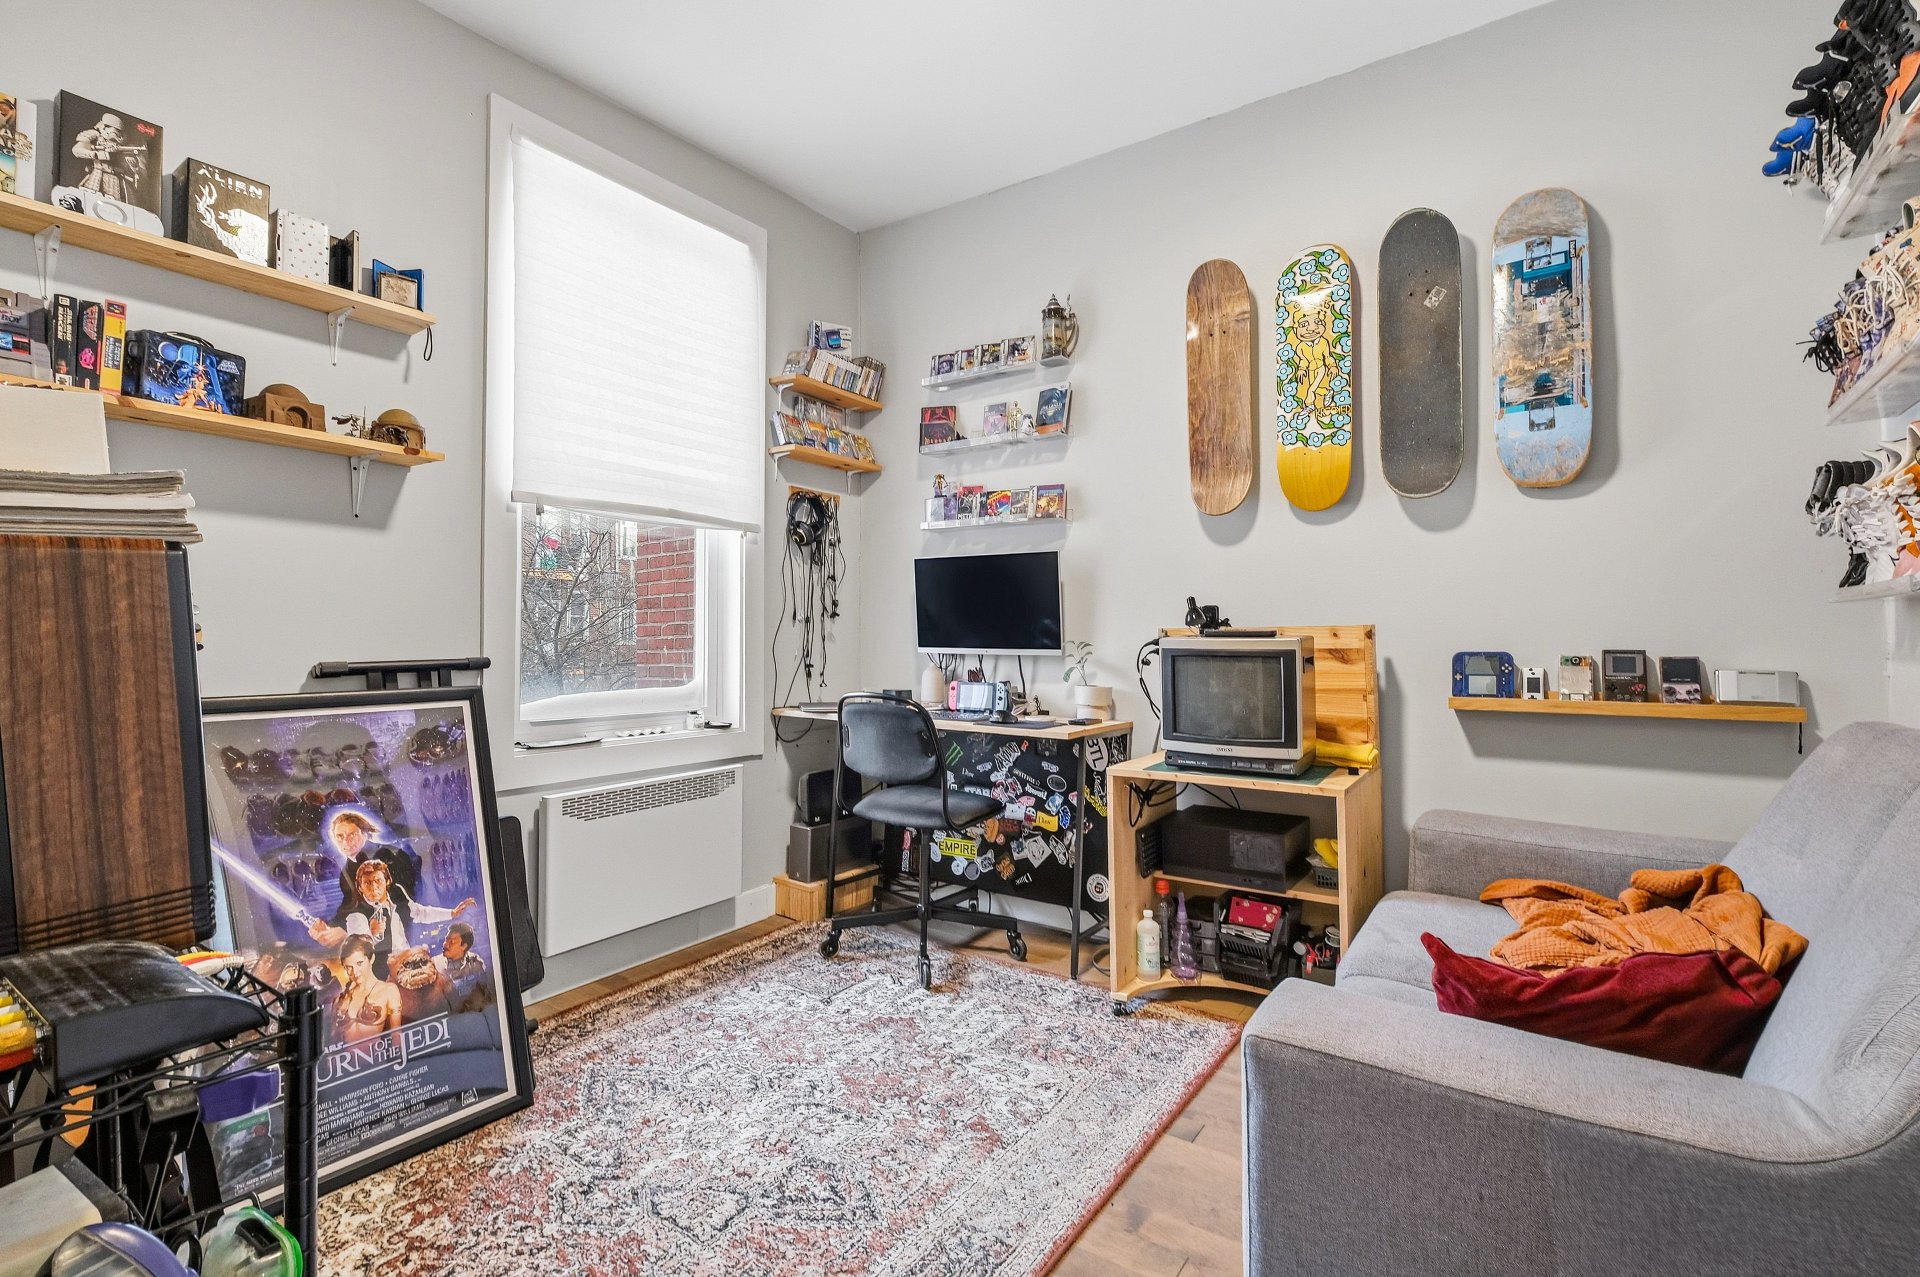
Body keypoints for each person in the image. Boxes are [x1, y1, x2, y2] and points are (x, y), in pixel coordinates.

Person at [308, 859, 474, 981]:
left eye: (378, 881)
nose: (373, 888)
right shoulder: (357, 914)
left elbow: (419, 912)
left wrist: (451, 913)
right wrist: (371, 934)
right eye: (367, 883)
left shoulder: (397, 893)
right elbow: (358, 948)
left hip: (408, 962)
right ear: (360, 887)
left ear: (387, 881)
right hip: (383, 976)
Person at [327, 810, 418, 902]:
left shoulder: (387, 855)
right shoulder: (345, 874)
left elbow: (408, 894)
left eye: (352, 835)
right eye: (340, 836)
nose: (346, 841)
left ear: (364, 833)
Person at [328, 935, 400, 1046]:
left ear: (371, 959)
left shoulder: (389, 990)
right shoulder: (339, 1000)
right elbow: (332, 1042)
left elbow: (396, 1037)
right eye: (349, 967)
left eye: (359, 963)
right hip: (346, 1056)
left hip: (376, 1056)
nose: (355, 972)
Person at [433, 922, 493, 1013]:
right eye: (446, 939)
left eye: (452, 942)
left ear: (464, 946)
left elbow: (485, 994)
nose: (445, 944)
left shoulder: (475, 963)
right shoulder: (435, 964)